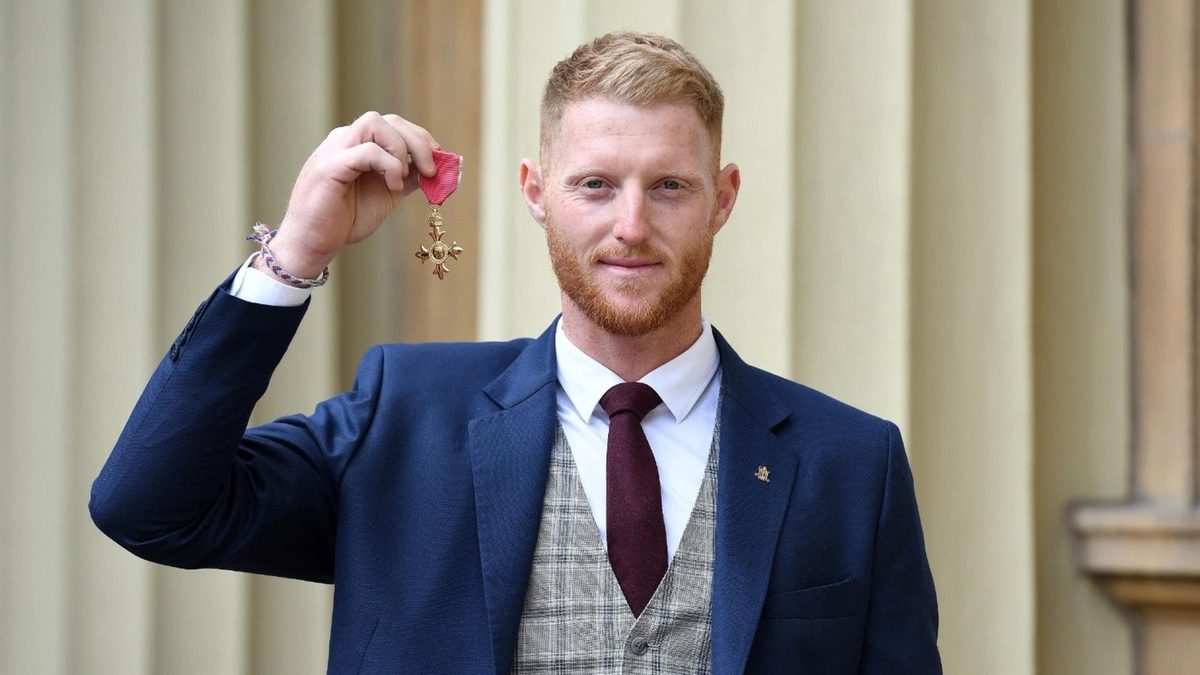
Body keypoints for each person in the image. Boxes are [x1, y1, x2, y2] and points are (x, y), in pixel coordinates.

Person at [91, 32, 939, 673]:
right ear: (537, 193)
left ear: (722, 199)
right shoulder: (404, 419)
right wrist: (296, 254)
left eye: (669, 187)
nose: (631, 225)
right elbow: (148, 505)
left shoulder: (850, 463)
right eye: (595, 184)